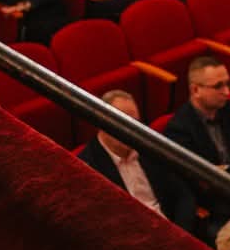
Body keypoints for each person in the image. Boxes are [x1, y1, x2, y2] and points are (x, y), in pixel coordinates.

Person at [163, 56, 230, 231]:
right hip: (219, 212)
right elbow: (205, 183)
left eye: (228, 84)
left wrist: (228, 170)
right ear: (195, 90)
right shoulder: (178, 129)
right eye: (218, 86)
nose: (227, 92)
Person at [76, 90, 197, 228]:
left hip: (172, 229)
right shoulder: (87, 168)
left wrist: (180, 232)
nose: (129, 130)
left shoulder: (150, 147)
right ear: (100, 120)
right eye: (120, 121)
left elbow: (183, 194)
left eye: (134, 123)